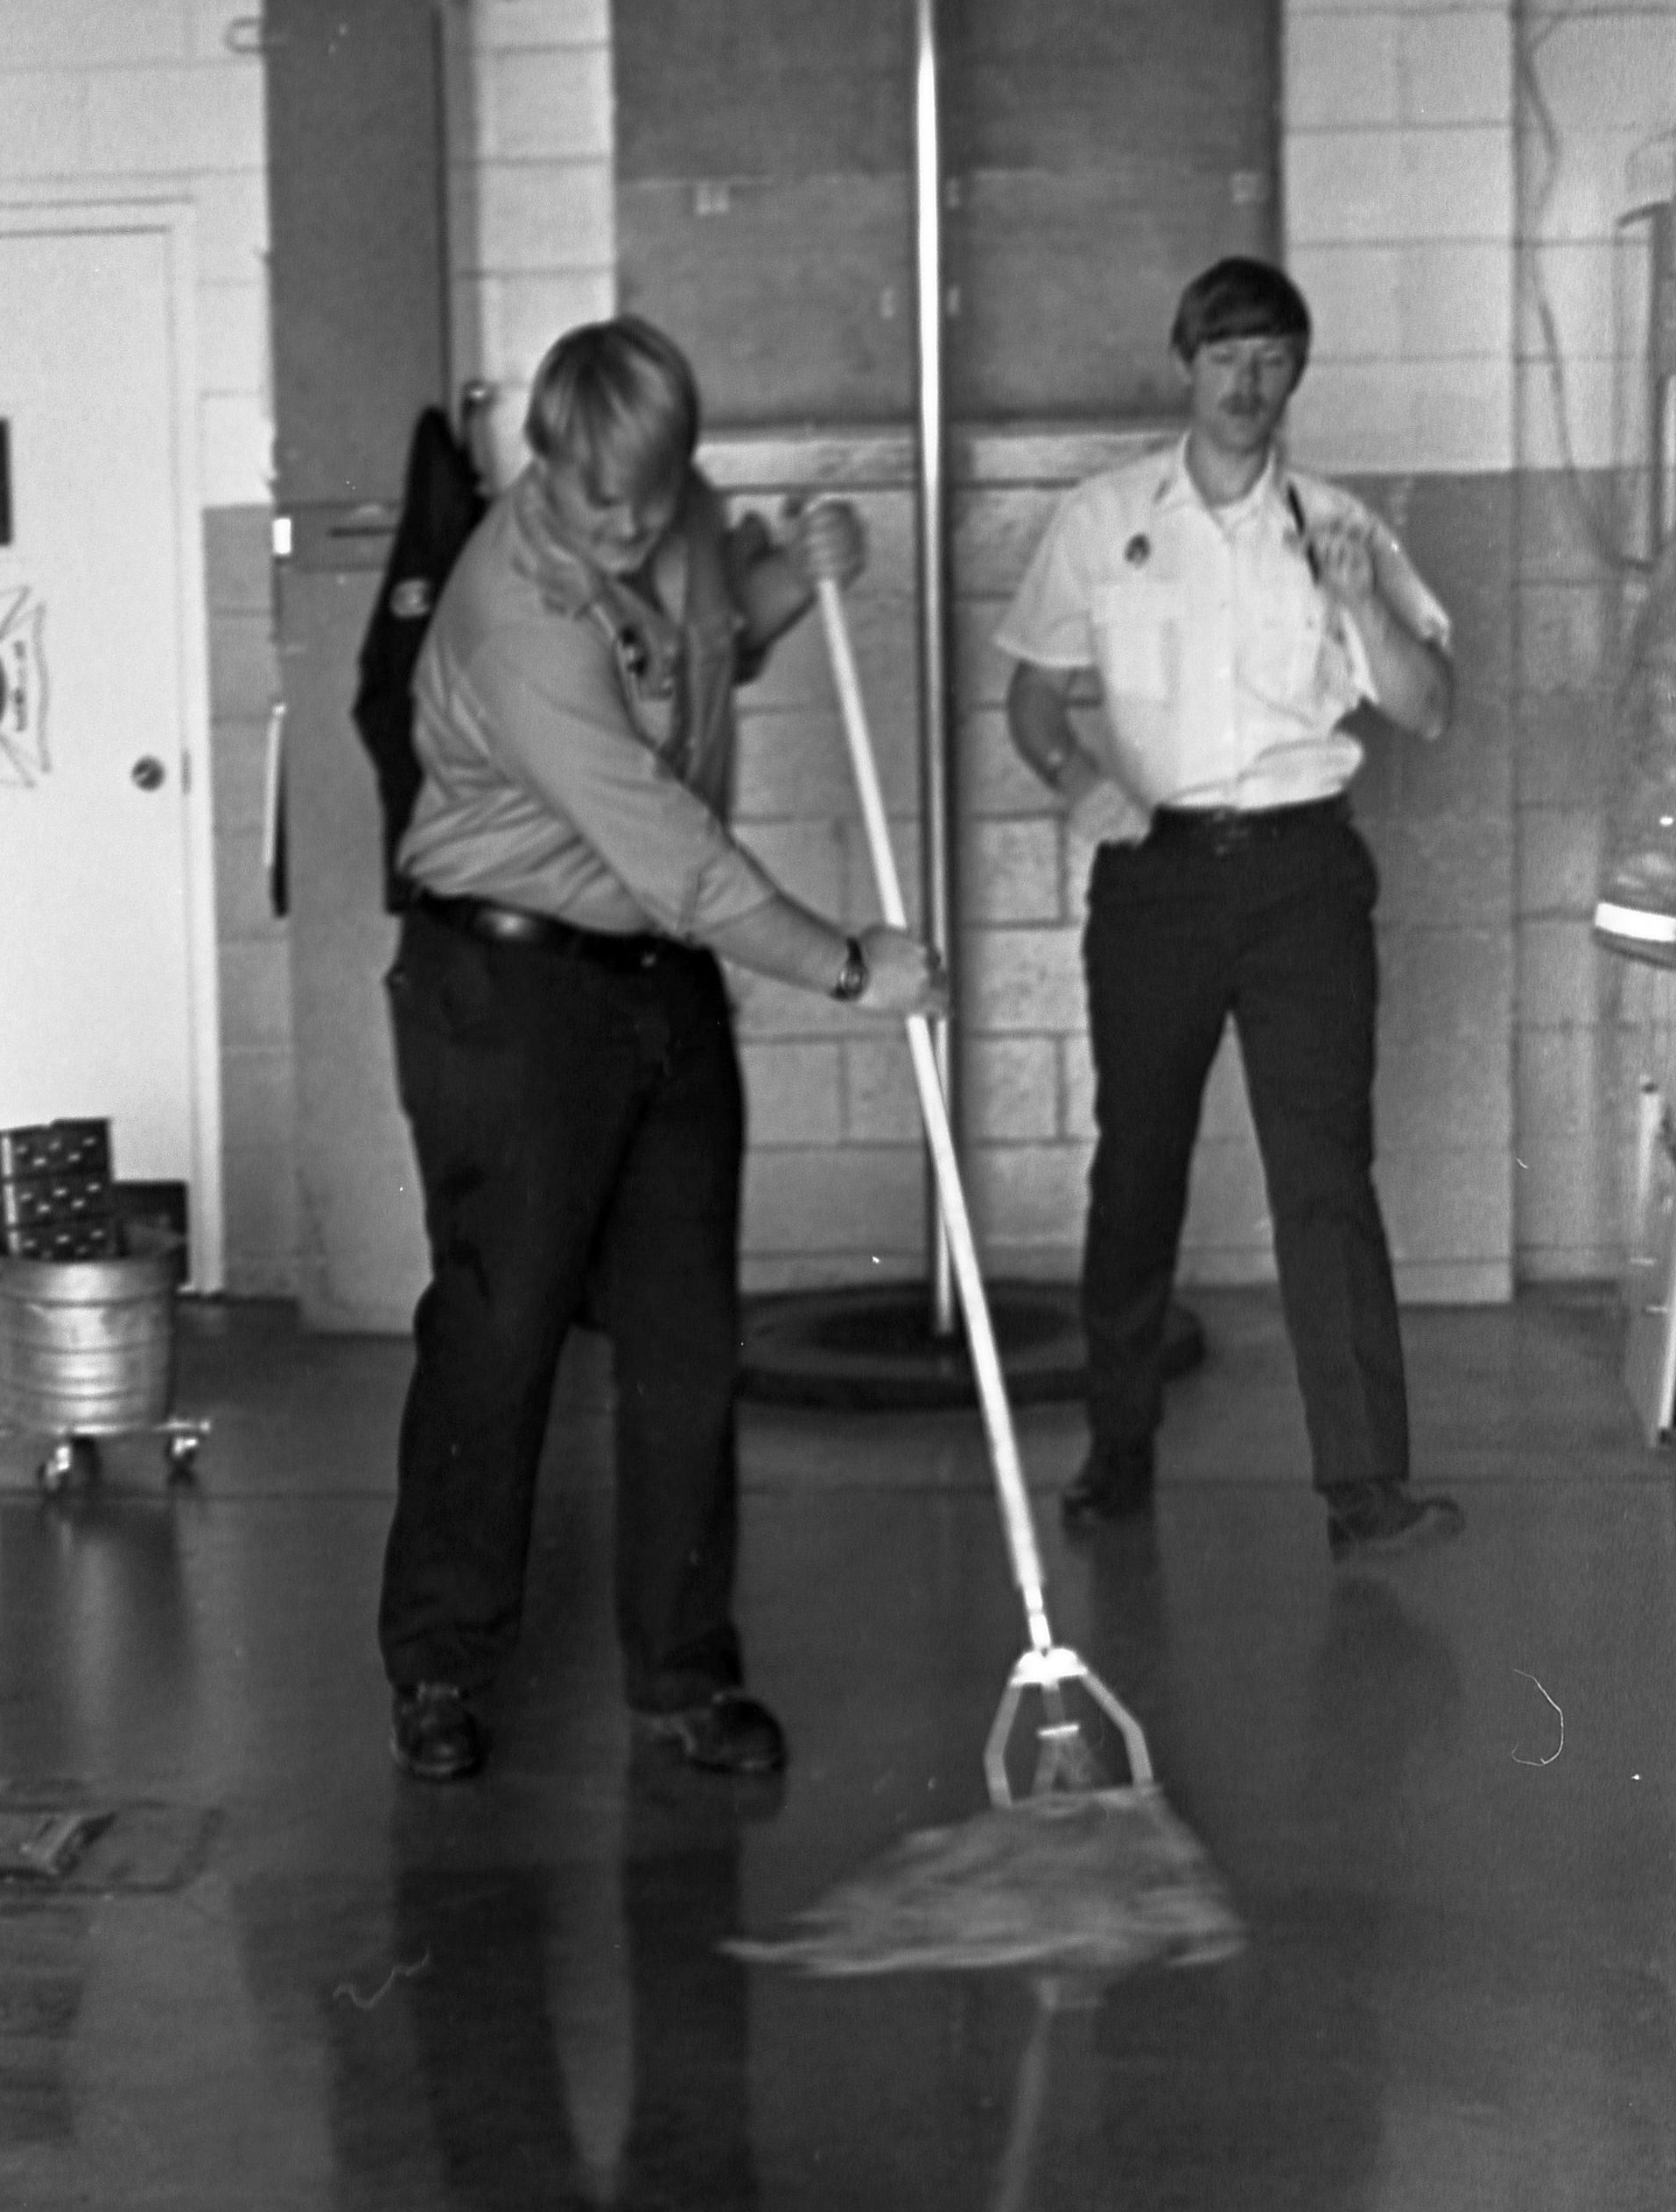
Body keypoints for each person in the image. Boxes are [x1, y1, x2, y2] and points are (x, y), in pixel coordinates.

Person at [378, 314, 945, 1783]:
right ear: (543, 454)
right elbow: (676, 855)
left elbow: (712, 641)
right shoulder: (516, 609)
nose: (628, 525)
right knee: (501, 1334)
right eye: (598, 496)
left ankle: (686, 1676)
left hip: (659, 985)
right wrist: (849, 965)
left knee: (688, 1346)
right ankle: (440, 1667)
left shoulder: (675, 511)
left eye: (652, 493)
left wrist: (791, 577)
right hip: (508, 994)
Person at [997, 256, 1464, 1561]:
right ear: (1185, 365)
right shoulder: (1104, 520)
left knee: (1324, 1176)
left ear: (1297, 372)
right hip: (1155, 874)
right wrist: (1075, 780)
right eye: (1225, 358)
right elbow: (1031, 700)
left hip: (1303, 875)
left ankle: (1365, 1490)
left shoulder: (1341, 525)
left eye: (1271, 360)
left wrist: (1357, 594)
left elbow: (1430, 707)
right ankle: (1117, 1450)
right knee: (1137, 1167)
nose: (1247, 385)